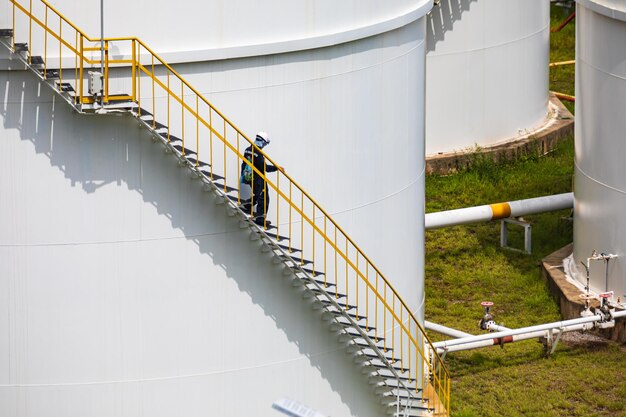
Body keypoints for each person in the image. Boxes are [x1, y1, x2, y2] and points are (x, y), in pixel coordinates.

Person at [239, 131, 283, 225]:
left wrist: (243, 176)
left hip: (248, 176)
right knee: (264, 197)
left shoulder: (248, 149)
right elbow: (265, 168)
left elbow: (244, 163)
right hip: (258, 178)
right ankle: (260, 219)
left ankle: (248, 204)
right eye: (265, 143)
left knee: (258, 194)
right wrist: (276, 168)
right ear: (263, 141)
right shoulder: (258, 153)